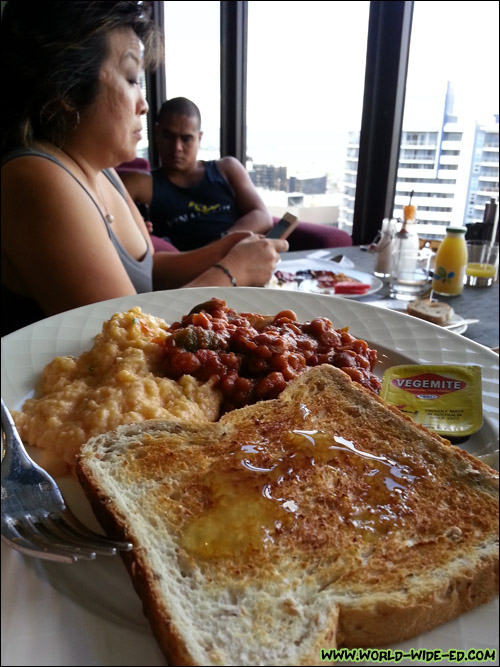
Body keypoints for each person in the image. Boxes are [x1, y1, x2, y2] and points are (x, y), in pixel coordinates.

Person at [1, 2, 287, 337]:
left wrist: (221, 250)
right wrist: (233, 270)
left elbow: (152, 269)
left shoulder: (101, 171)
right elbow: (123, 340)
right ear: (67, 88)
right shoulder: (35, 178)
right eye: (132, 78)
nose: (144, 104)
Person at [119, 97, 274, 250]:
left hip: (240, 259)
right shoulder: (141, 184)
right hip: (189, 271)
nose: (177, 147)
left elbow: (262, 216)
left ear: (199, 138)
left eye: (186, 139)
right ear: (156, 133)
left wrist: (219, 245)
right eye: (168, 136)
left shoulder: (227, 169)